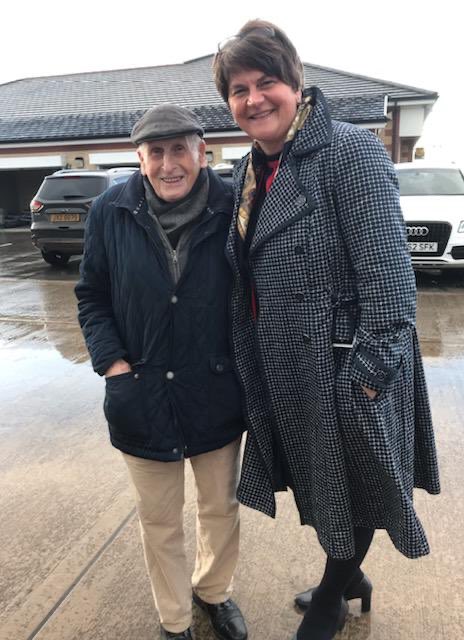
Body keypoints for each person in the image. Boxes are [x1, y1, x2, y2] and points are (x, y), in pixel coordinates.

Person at [213, 20, 440, 640]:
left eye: (266, 82)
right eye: (238, 89)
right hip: (285, 367)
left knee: (354, 486)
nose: (254, 99)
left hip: (344, 364)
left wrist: (365, 379)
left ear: (296, 83)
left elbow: (391, 281)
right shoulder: (249, 171)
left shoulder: (349, 151)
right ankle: (349, 577)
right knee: (323, 486)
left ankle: (332, 597)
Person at [75, 105, 248, 640]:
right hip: (141, 392)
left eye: (179, 150)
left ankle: (213, 591)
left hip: (214, 388)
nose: (169, 164)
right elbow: (92, 295)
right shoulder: (109, 210)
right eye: (156, 152)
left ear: (202, 152)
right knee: (159, 519)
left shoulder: (232, 206)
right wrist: (113, 366)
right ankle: (174, 619)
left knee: (220, 507)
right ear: (140, 158)